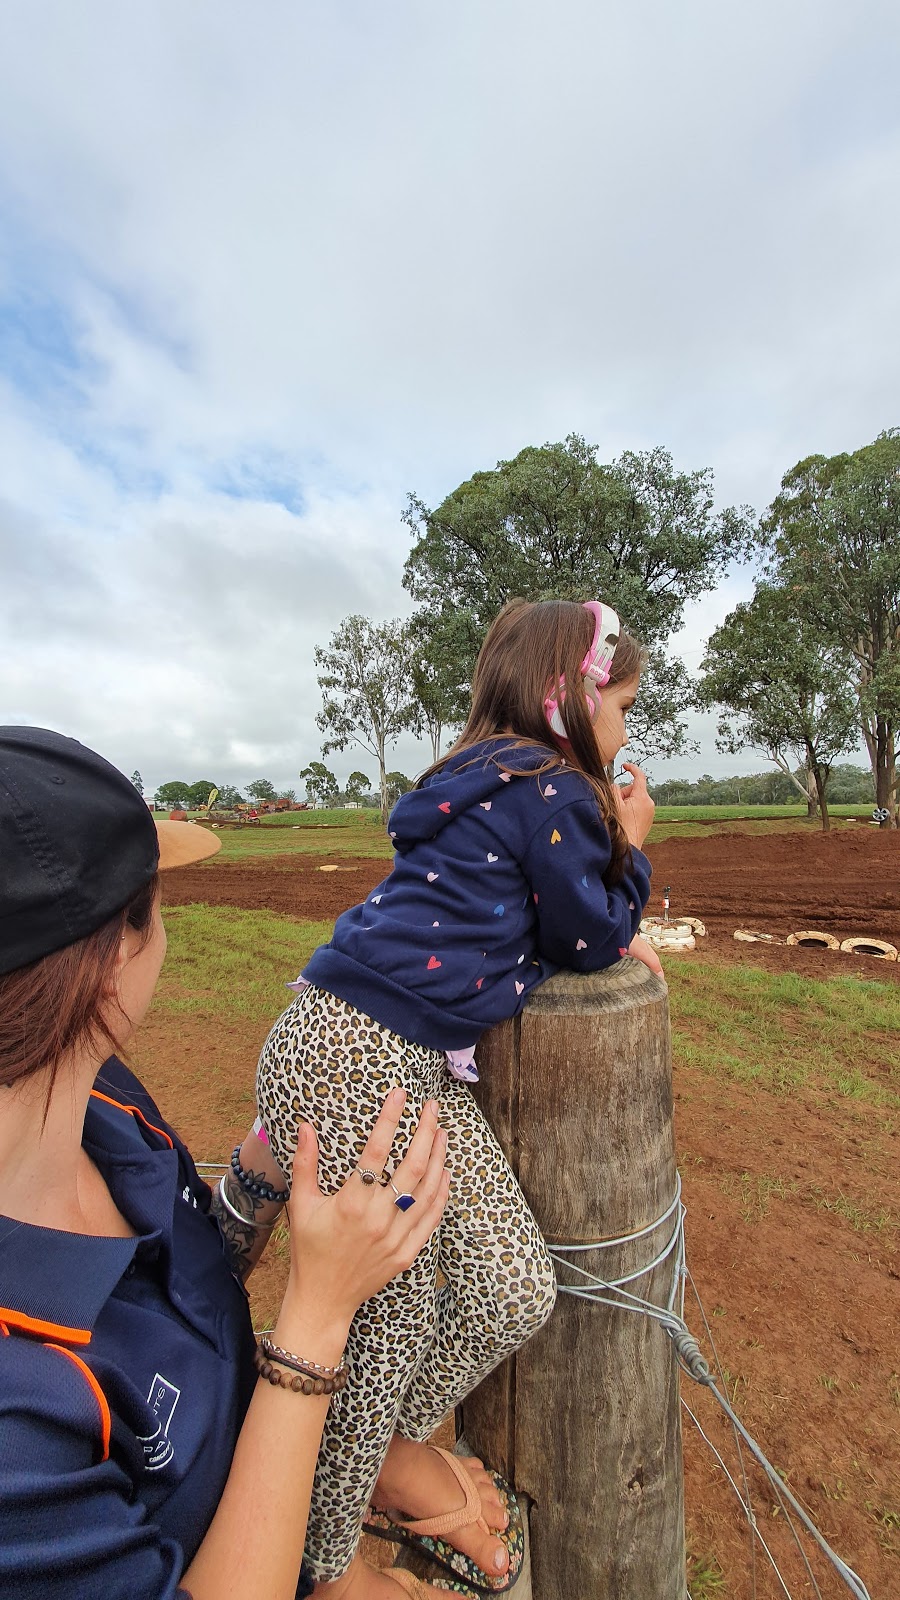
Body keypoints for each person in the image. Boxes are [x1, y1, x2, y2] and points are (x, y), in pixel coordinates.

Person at [240, 598, 658, 1598]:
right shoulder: (551, 787)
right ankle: (324, 1562)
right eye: (623, 706)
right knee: (386, 1322)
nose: (629, 730)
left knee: (513, 1287)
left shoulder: (481, 778)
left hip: (396, 1056)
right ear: (569, 702)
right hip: (354, 1057)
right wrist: (634, 844)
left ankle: (363, 1456)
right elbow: (590, 931)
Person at [0, 726, 453, 1600]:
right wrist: (319, 1312)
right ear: (110, 965)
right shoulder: (20, 1424)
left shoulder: (101, 1105)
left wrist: (256, 1175)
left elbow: (184, 1281)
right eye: (156, 899)